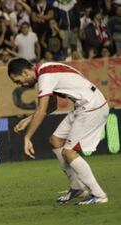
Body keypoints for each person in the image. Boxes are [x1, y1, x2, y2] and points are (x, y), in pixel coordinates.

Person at [8, 58, 109, 205]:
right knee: (55, 141)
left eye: (18, 81)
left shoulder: (45, 76)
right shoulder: (46, 69)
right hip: (83, 105)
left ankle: (99, 195)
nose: (20, 85)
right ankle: (77, 187)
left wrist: (27, 138)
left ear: (25, 72)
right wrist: (27, 120)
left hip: (91, 106)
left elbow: (42, 110)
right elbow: (53, 106)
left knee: (69, 153)